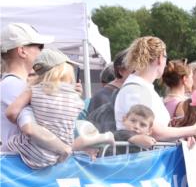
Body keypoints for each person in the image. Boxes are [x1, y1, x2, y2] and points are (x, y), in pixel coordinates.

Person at [4, 50, 114, 167]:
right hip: (57, 156)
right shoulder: (75, 99)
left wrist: (27, 112)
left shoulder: (33, 90)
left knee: (10, 141)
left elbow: (11, 112)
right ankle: (104, 137)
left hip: (33, 154)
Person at [115, 36, 196, 142]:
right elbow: (154, 132)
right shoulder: (137, 90)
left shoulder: (141, 88)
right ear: (160, 59)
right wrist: (194, 129)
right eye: (166, 57)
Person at [1, 23, 70, 159]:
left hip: (17, 164)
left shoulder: (14, 84)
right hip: (17, 165)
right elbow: (31, 128)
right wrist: (65, 149)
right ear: (22, 51)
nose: (42, 51)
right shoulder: (14, 85)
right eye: (40, 46)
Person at [86, 51, 128, 133]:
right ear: (121, 71)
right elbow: (104, 132)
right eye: (134, 70)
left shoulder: (124, 94)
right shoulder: (103, 97)